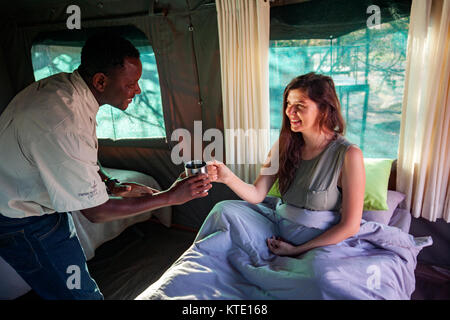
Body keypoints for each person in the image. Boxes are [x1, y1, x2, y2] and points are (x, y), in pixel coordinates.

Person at [0, 31, 211, 300]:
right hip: (21, 218)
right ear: (101, 81)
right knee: (81, 295)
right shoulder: (62, 120)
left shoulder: (67, 91)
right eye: (131, 83)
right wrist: (169, 197)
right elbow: (96, 213)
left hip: (30, 200)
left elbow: (79, 155)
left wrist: (110, 183)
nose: (138, 90)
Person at [207, 72, 365, 256]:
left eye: (300, 105)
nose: (289, 112)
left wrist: (296, 250)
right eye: (289, 104)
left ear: (323, 109)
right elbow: (257, 194)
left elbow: (350, 226)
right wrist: (227, 177)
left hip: (318, 244)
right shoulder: (283, 145)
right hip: (277, 226)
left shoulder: (349, 155)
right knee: (223, 210)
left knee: (322, 279)